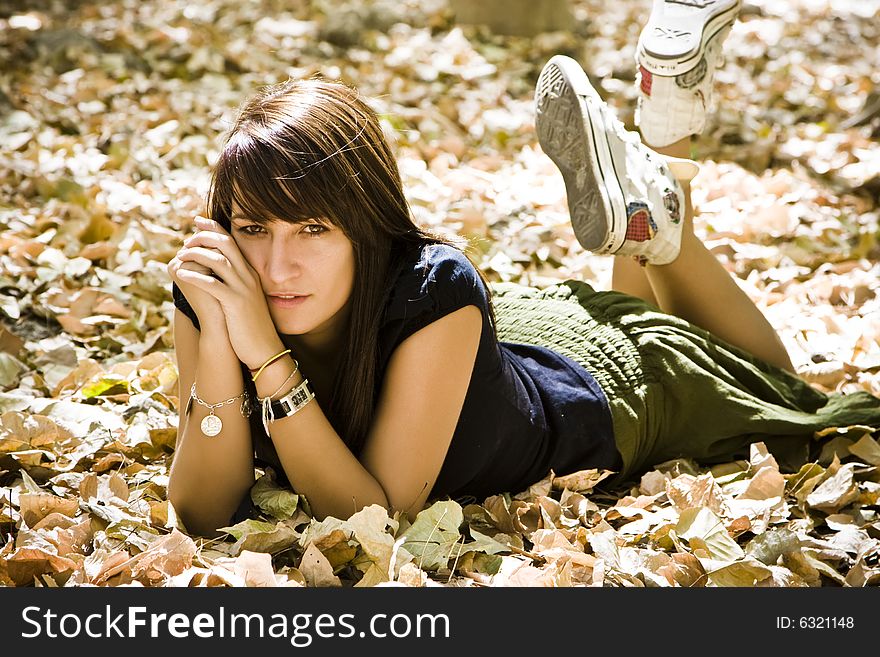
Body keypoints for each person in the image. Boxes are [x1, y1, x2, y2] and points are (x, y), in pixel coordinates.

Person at [166, 0, 880, 537]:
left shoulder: (432, 290)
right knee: (638, 309)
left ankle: (662, 223)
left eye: (314, 228)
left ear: (366, 225)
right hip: (499, 354)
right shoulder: (215, 287)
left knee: (770, 377)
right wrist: (228, 340)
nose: (276, 263)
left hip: (598, 401)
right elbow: (200, 507)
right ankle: (661, 147)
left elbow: (372, 519)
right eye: (253, 227)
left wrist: (266, 358)